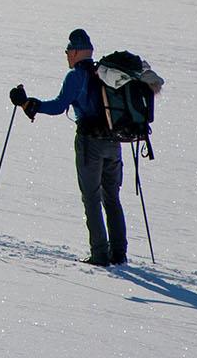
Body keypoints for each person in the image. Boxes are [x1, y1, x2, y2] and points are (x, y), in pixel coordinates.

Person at [11, 28, 127, 266]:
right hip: (114, 142)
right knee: (112, 198)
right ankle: (119, 253)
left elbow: (58, 106)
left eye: (68, 50)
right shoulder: (103, 73)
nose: (66, 54)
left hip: (90, 144)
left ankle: (99, 254)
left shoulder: (76, 76)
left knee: (92, 198)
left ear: (76, 52)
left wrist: (29, 104)